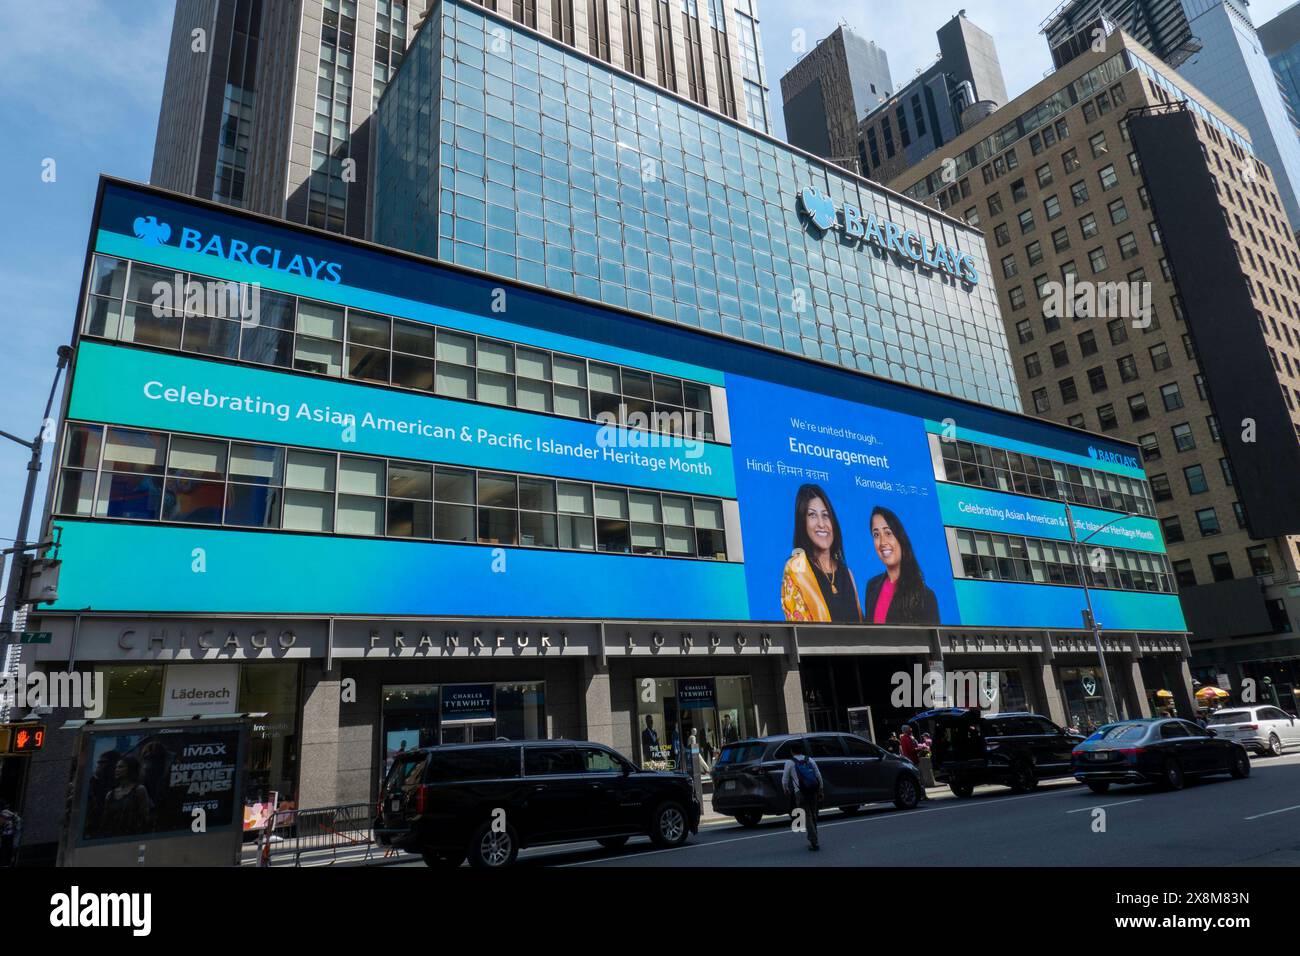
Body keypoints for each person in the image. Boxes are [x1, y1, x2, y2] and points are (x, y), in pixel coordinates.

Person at [781, 484, 863, 623]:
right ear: (803, 523)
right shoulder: (796, 569)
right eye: (812, 515)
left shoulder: (847, 574)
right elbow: (800, 633)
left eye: (825, 515)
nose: (821, 523)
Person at [862, 506, 940, 625]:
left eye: (888, 533)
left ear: (900, 538)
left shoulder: (925, 596)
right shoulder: (872, 586)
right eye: (876, 535)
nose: (882, 542)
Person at [94, 756, 154, 838]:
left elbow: (145, 817)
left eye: (121, 767)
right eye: (116, 767)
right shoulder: (110, 794)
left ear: (130, 769)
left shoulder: (139, 790)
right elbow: (105, 821)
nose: (117, 769)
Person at [781, 739, 825, 851]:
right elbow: (818, 775)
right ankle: (814, 837)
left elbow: (785, 779)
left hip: (800, 792)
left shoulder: (789, 762)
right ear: (801, 750)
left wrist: (785, 789)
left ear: (792, 751)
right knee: (814, 814)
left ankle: (814, 841)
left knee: (807, 816)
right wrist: (820, 789)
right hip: (813, 790)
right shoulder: (809, 759)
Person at [0, 800, 20, 867]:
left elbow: (2, 821)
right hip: (8, 834)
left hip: (8, 834)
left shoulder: (4, 812)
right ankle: (6, 863)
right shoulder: (7, 813)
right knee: (7, 849)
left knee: (6, 849)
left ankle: (5, 863)